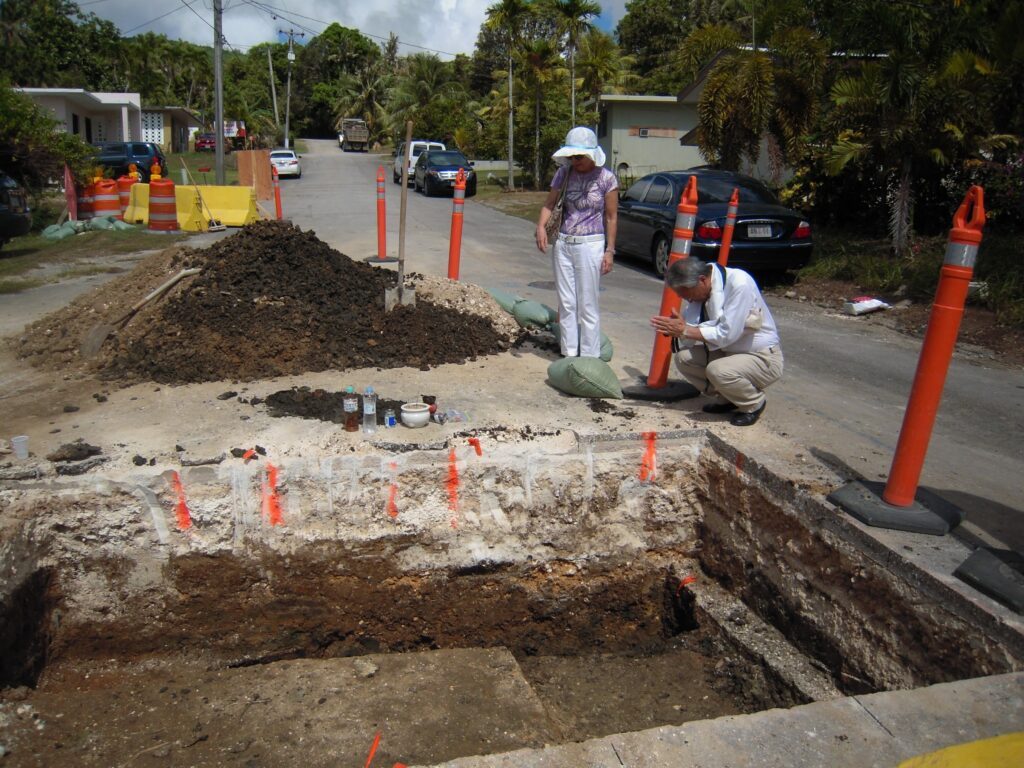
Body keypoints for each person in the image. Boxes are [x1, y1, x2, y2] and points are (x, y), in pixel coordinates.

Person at [650, 258, 783, 426]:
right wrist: (680, 327)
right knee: (684, 359)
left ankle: (753, 403)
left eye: (685, 293)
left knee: (718, 370)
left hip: (762, 356)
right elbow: (694, 330)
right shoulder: (704, 291)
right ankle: (729, 398)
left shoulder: (739, 283)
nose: (684, 298)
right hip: (729, 352)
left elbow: (726, 334)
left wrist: (684, 330)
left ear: (702, 280)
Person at [535, 126, 618, 358]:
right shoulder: (564, 173)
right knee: (567, 302)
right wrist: (541, 226)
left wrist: (609, 250)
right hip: (564, 243)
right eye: (571, 156)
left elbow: (611, 217)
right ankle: (569, 353)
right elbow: (549, 203)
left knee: (588, 304)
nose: (575, 160)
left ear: (592, 154)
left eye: (579, 156)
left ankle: (590, 357)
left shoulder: (606, 179)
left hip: (591, 244)